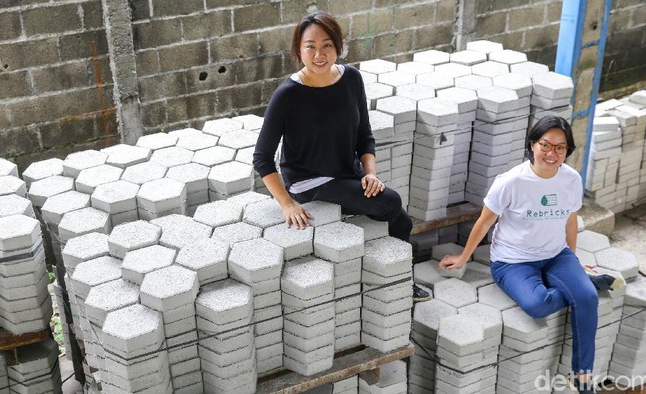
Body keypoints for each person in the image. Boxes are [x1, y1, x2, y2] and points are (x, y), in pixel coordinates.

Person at [438, 115, 624, 393]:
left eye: (560, 148)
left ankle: (583, 376)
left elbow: (570, 220)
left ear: (567, 151)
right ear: (532, 145)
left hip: (555, 254)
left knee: (585, 299)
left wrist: (571, 258)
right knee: (539, 304)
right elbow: (485, 221)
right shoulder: (511, 181)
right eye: (545, 145)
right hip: (512, 262)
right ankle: (587, 283)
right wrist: (464, 257)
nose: (552, 153)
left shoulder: (571, 179)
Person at [252, 11, 429, 301]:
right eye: (310, 46)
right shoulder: (287, 95)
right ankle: (400, 284)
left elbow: (364, 136)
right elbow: (262, 158)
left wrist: (370, 173)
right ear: (299, 49)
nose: (319, 54)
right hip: (311, 181)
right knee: (391, 202)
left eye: (327, 45)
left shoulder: (352, 79)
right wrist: (286, 204)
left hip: (349, 170)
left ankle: (399, 281)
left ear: (338, 46)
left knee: (403, 221)